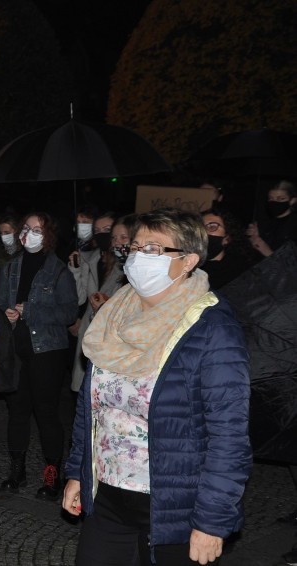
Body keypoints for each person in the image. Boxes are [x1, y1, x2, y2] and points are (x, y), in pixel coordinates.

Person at [63, 208, 252, 566]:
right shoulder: (112, 318)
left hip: (174, 509)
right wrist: (77, 473)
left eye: (154, 249)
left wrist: (211, 522)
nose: (137, 257)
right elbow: (90, 409)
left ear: (188, 261)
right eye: (134, 247)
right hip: (108, 497)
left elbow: (229, 438)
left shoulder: (211, 330)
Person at [0, 211, 78, 499]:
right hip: (17, 351)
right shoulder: (10, 268)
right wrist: (9, 315)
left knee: (46, 413)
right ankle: (16, 469)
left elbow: (68, 312)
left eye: (37, 229)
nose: (30, 234)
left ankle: (52, 473)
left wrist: (30, 310)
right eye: (26, 228)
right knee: (17, 412)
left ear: (49, 235)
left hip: (47, 352)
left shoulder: (58, 271)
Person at [70, 214, 135, 393]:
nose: (113, 241)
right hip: (90, 331)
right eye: (97, 231)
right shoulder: (89, 260)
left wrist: (104, 308)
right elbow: (80, 297)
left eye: (108, 231)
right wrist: (75, 271)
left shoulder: (129, 268)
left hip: (114, 343)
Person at [201, 205, 261, 290]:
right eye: (200, 228)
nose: (204, 232)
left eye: (212, 227)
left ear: (227, 238)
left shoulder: (242, 272)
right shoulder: (187, 268)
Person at [246, 180, 297, 256]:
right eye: (271, 198)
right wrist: (255, 238)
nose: (275, 202)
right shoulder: (266, 223)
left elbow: (291, 263)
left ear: (292, 200)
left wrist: (266, 251)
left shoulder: (294, 225)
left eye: (281, 199)